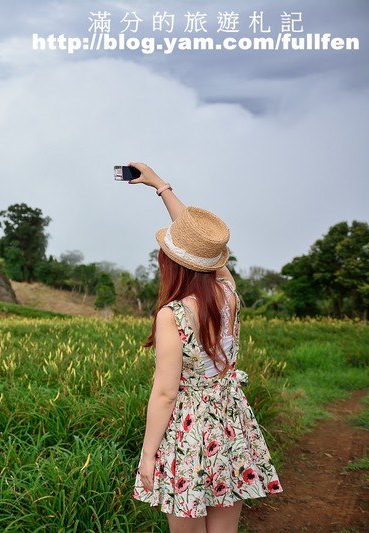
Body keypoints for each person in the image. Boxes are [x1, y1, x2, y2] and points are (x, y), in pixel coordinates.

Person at [127, 162, 283, 532]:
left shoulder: (174, 315)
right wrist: (161, 187)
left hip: (189, 430)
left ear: (169, 261)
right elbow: (204, 246)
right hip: (230, 421)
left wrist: (148, 454)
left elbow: (165, 393)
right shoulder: (227, 292)